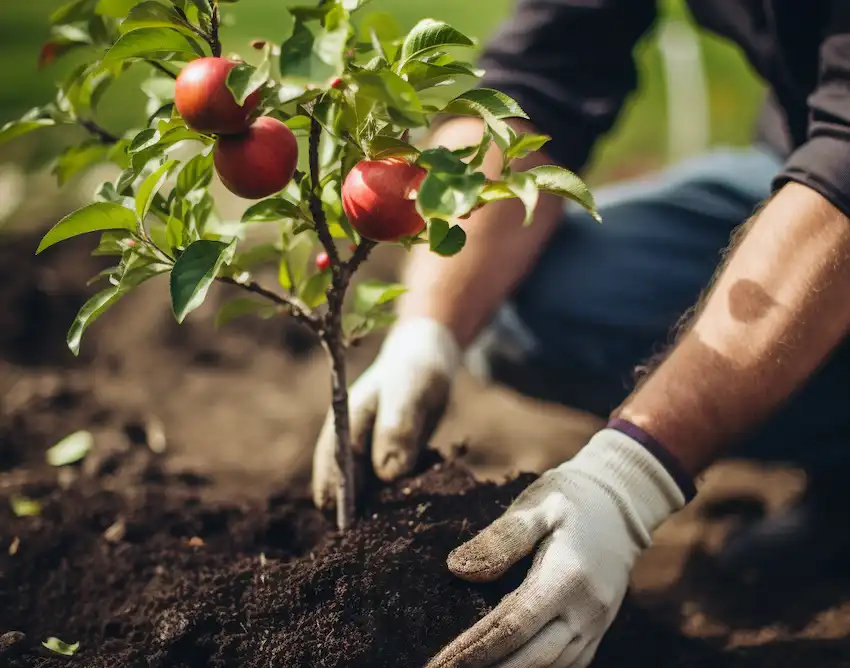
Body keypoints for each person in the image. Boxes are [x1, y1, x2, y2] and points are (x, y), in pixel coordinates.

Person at [313, 1, 850, 666]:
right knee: (530, 300)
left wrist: (631, 475)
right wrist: (427, 331)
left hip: (836, 184)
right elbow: (541, 73)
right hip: (798, 156)